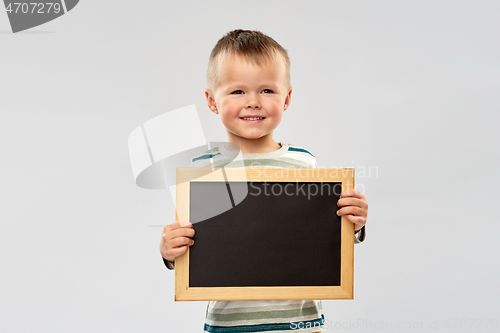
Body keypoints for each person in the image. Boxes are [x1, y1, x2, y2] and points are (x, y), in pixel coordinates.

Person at [160, 29, 368, 333]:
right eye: (237, 91)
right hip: (229, 325)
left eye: (267, 91)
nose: (253, 102)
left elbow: (322, 236)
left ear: (287, 98)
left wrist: (355, 224)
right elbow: (196, 246)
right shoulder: (204, 171)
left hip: (299, 322)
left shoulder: (304, 164)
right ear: (211, 100)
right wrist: (169, 252)